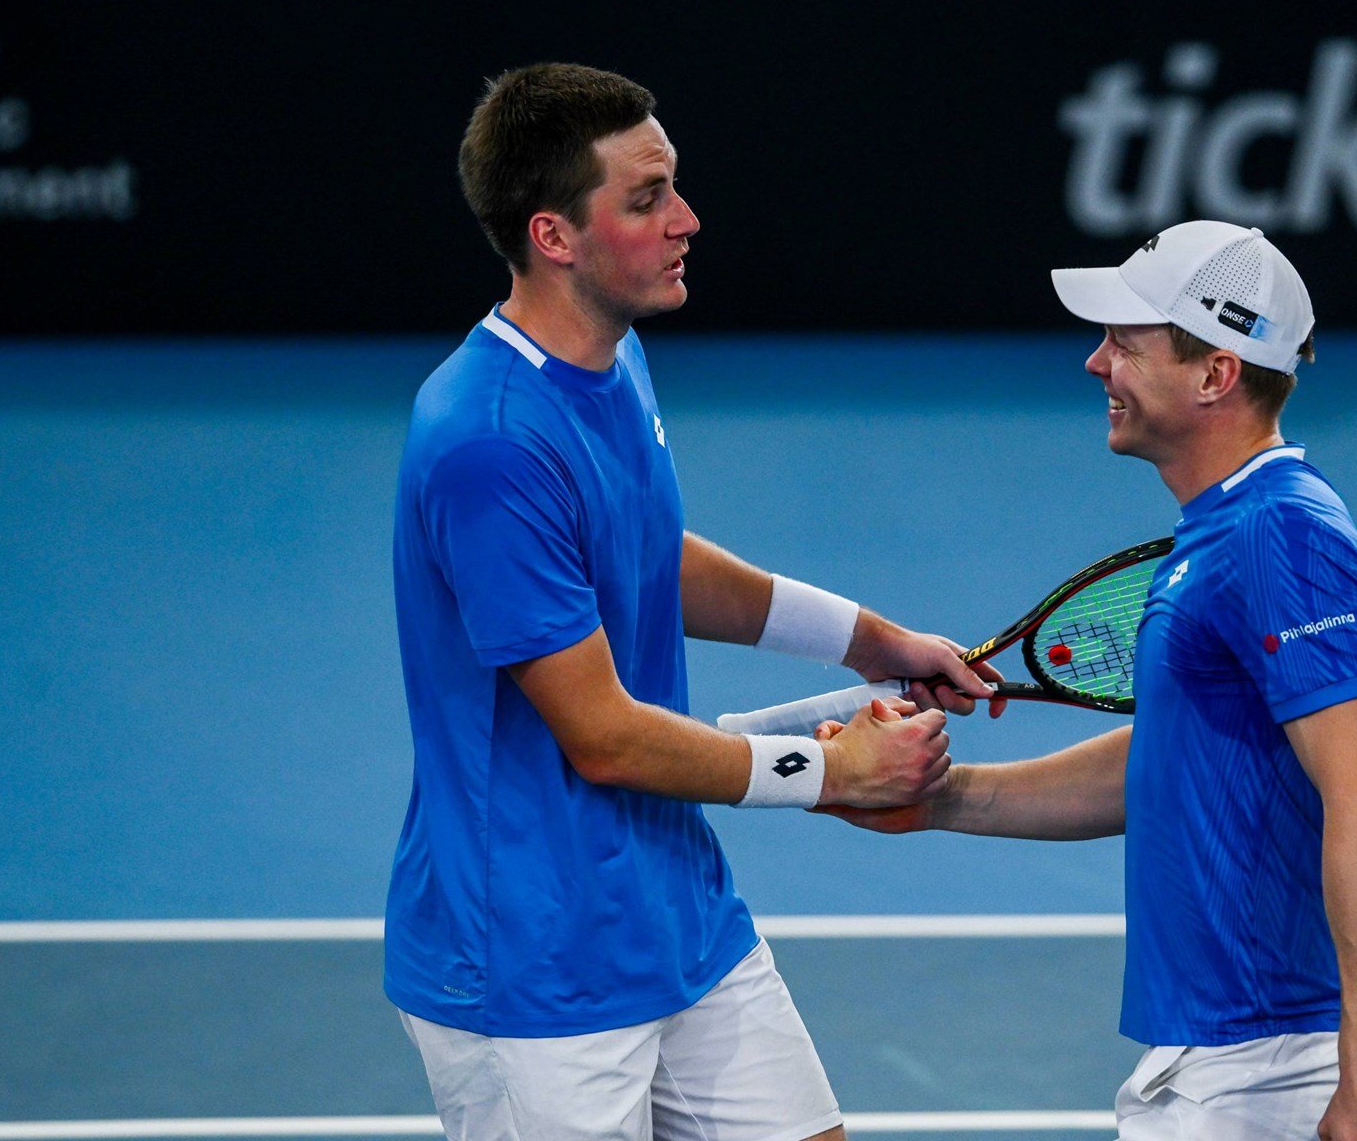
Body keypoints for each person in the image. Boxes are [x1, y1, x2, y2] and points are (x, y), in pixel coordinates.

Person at [385, 62, 1000, 1141]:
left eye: (673, 187)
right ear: (553, 237)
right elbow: (604, 742)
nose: (685, 220)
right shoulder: (488, 441)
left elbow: (645, 556)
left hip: (675, 909)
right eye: (645, 199)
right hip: (535, 969)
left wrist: (871, 643)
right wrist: (831, 773)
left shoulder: (609, 363)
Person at [819, 221, 1357, 1141]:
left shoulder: (1283, 537)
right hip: (1219, 1051)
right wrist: (942, 799)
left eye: (1126, 345)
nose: (1096, 365)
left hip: (1275, 1059)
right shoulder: (1224, 532)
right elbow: (1175, 762)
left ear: (1216, 374)